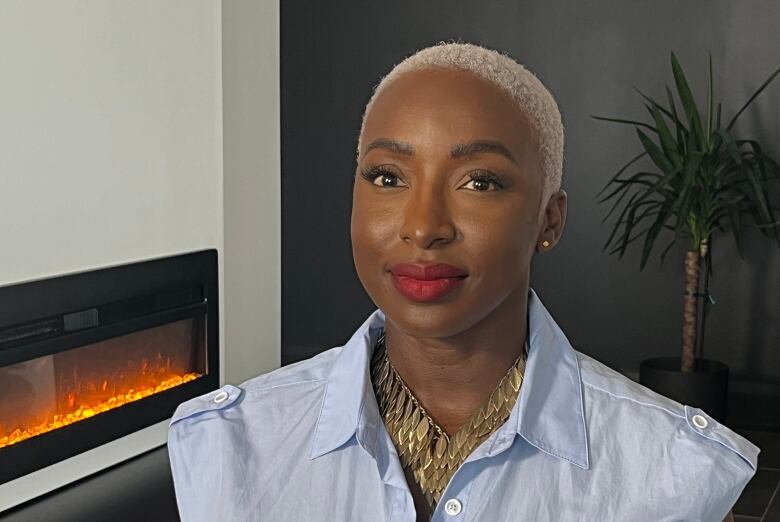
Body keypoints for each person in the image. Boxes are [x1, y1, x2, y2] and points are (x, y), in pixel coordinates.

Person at [167, 41, 757, 521]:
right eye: (386, 176)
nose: (423, 227)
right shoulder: (231, 446)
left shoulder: (672, 476)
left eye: (480, 182)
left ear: (549, 220)